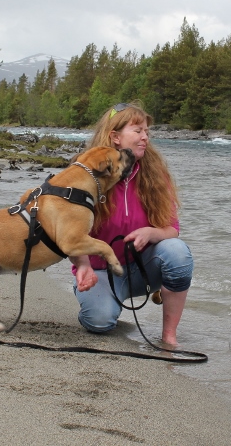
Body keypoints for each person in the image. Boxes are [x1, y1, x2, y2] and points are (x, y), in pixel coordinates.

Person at [69, 102, 193, 347]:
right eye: (137, 131)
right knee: (99, 323)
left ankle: (169, 336)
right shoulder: (85, 174)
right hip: (100, 271)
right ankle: (100, 302)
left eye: (147, 131)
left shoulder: (156, 174)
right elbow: (69, 231)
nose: (145, 137)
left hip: (142, 269)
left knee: (177, 252)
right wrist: (82, 264)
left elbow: (172, 229)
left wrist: (152, 232)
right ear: (115, 137)